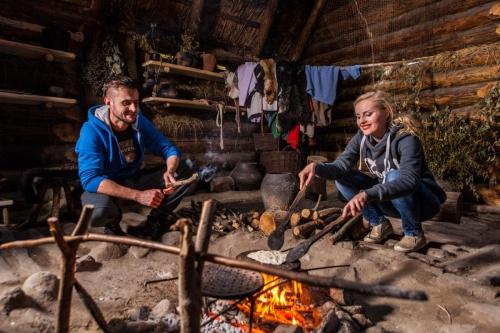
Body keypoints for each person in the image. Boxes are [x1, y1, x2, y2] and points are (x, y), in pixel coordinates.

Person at [299, 91, 446, 252]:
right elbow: (341, 166)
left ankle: (414, 233)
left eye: (368, 114)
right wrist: (317, 167)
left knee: (394, 176)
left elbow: (408, 181)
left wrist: (366, 194)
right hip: (392, 199)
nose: (362, 121)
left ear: (386, 112)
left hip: (423, 203)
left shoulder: (406, 138)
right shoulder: (361, 138)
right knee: (342, 177)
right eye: (358, 116)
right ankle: (379, 224)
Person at [75, 76, 192, 238]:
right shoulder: (90, 131)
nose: (133, 109)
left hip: (134, 178)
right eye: (126, 103)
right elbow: (90, 179)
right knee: (97, 213)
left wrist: (170, 171)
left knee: (187, 168)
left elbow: (167, 148)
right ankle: (112, 224)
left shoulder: (139, 121)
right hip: (108, 186)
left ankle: (156, 221)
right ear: (108, 102)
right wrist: (139, 196)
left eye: (136, 103)